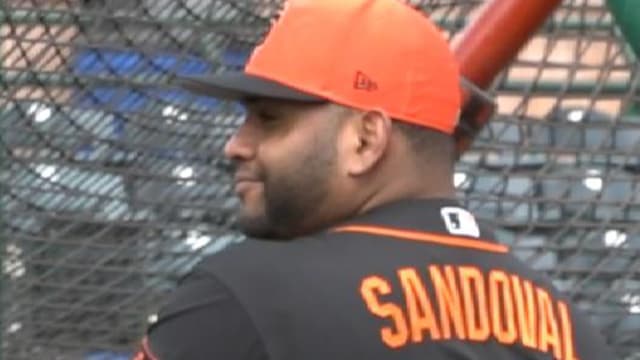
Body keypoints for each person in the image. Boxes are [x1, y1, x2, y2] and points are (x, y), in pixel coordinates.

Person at [134, 0, 615, 359]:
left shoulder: (249, 295)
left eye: (270, 120)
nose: (236, 145)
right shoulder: (568, 329)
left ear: (365, 140)